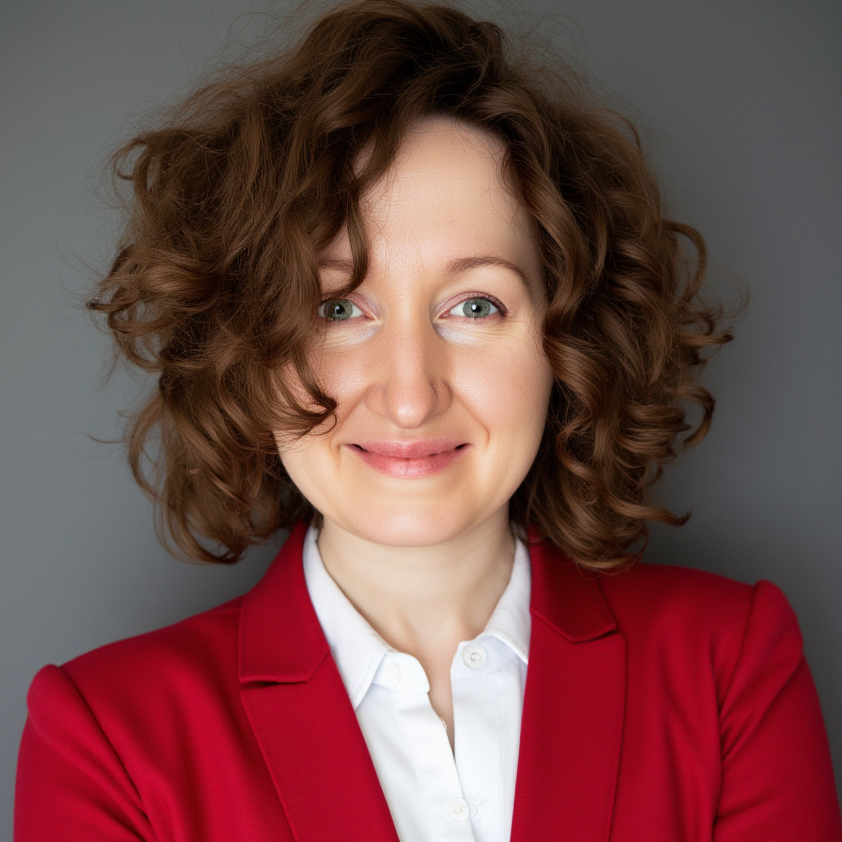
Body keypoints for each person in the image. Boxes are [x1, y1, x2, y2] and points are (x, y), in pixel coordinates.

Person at [14, 0, 842, 839]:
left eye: (475, 305)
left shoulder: (730, 669)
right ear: (244, 346)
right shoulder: (106, 741)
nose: (410, 396)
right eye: (337, 309)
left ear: (569, 338)